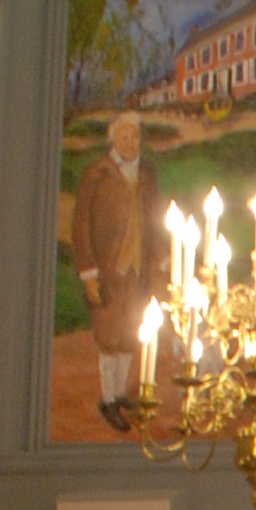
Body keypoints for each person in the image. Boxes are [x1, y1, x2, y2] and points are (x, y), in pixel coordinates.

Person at [70, 110, 165, 433]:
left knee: (129, 332)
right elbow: (81, 225)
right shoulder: (97, 174)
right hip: (109, 269)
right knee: (109, 334)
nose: (130, 142)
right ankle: (107, 397)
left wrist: (161, 261)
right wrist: (89, 273)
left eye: (135, 136)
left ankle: (120, 391)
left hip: (137, 269)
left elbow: (155, 221)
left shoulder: (147, 175)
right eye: (124, 136)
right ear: (113, 138)